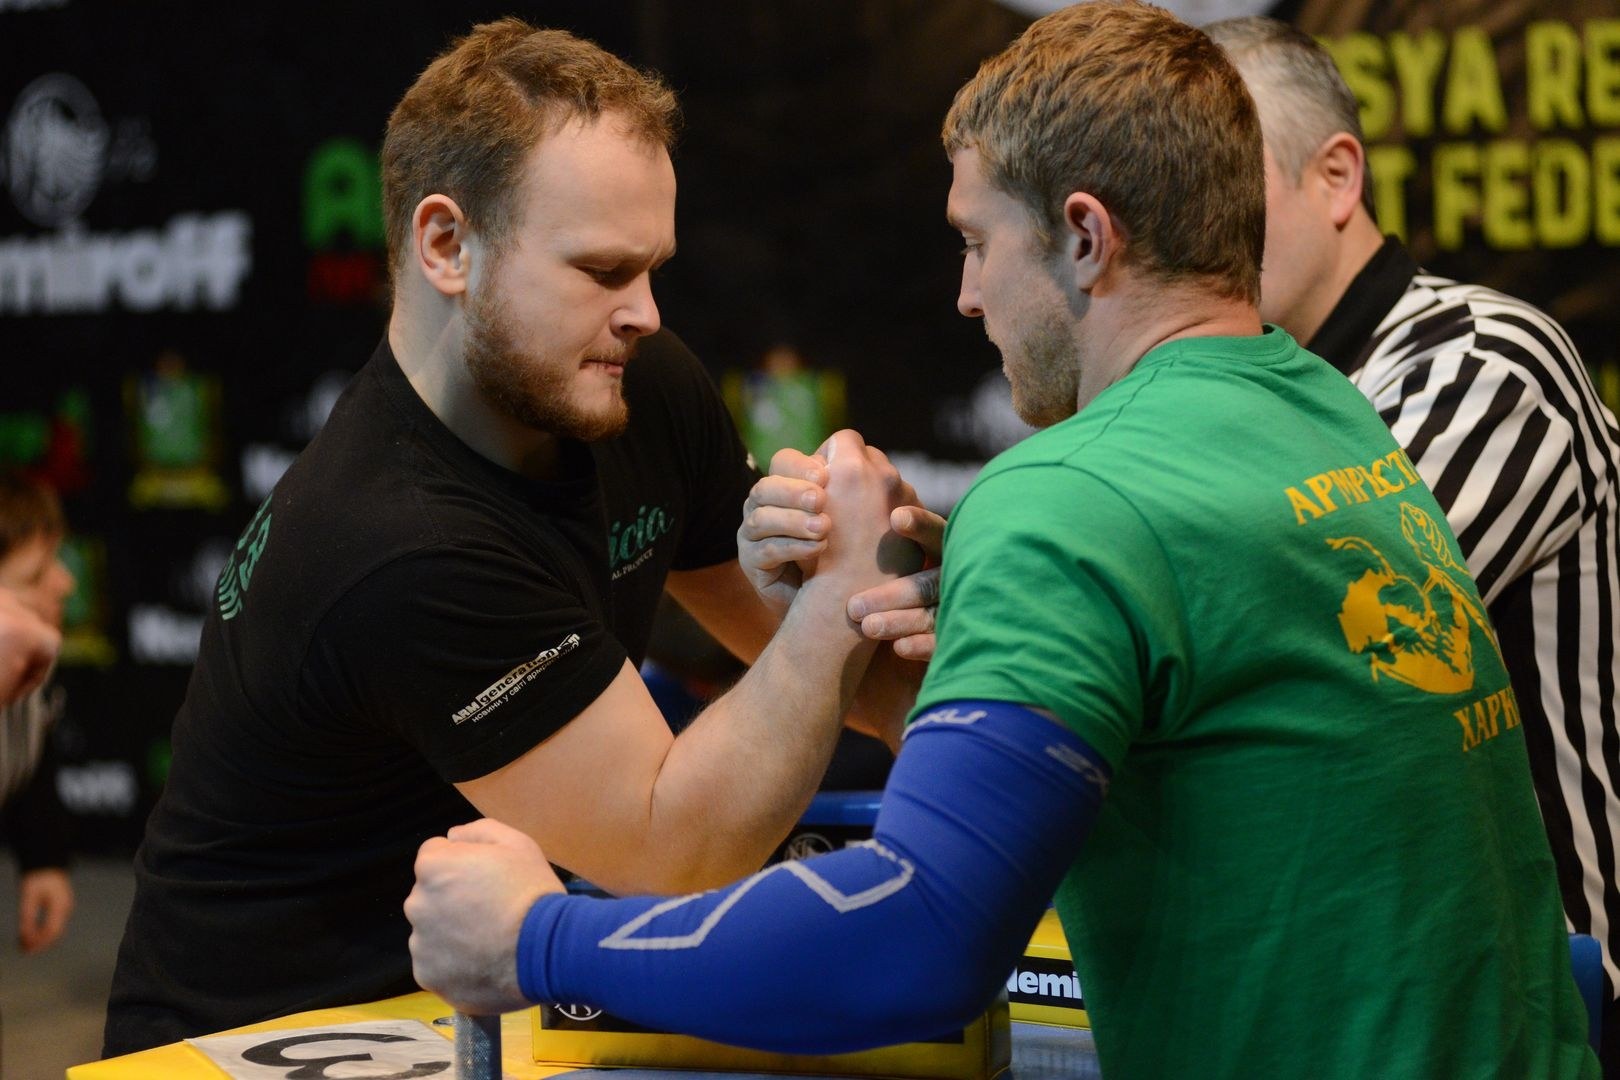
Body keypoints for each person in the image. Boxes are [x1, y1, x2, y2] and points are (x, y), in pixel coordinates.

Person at [403, 4, 1599, 1076]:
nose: (967, 296)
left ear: (1086, 237)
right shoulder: (1325, 410)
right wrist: (949, 582)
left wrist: (539, 938)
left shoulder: (1070, 497)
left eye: (978, 243)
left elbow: (916, 937)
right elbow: (1177, 699)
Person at [103, 19, 929, 1055]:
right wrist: (834, 598)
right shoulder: (396, 542)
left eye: (653, 267)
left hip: (466, 1001)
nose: (645, 312)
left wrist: (883, 603)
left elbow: (793, 646)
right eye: (601, 269)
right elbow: (672, 847)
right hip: (263, 1037)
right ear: (447, 246)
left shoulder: (634, 383)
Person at [1204, 16, 1620, 1072]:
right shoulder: (1227, 397)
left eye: (1217, 181)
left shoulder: (1486, 359)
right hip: (1352, 985)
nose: (1183, 224)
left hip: (1549, 1003)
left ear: (1335, 177)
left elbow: (1303, 652)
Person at [0, 471, 77, 955]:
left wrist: (42, 858)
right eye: (36, 575)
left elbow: (32, 751)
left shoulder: (28, 652)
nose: (65, 582)